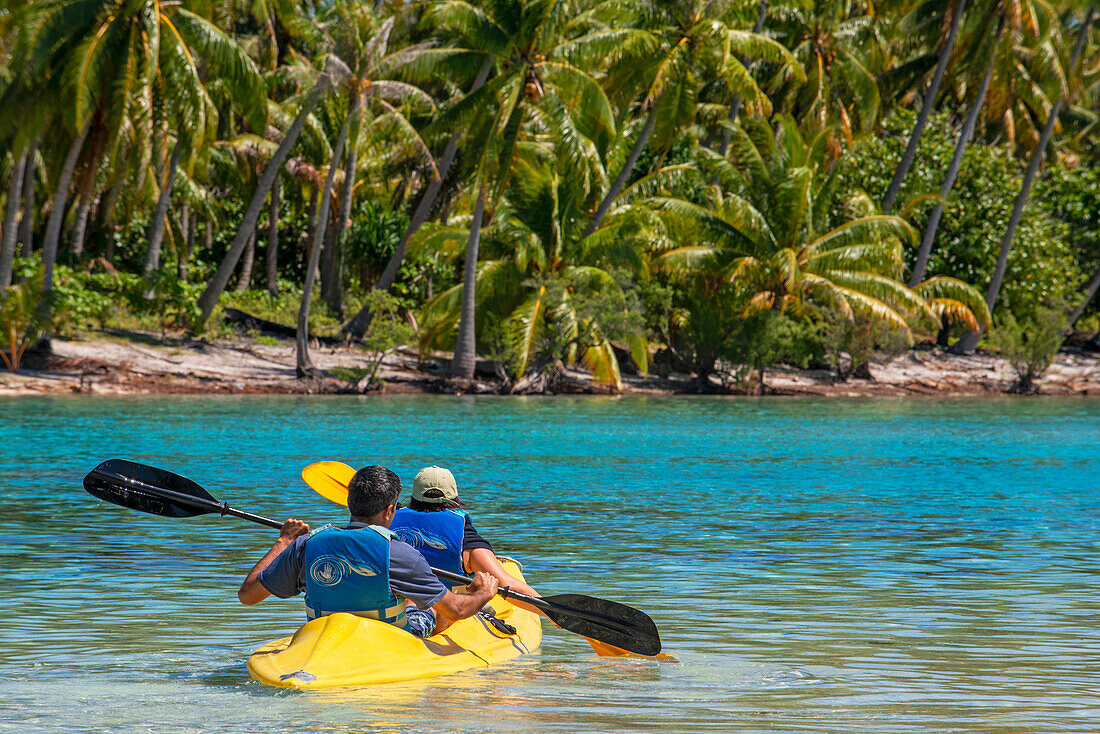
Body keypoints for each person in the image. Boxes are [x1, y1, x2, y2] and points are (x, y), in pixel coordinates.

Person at [238, 464, 498, 638]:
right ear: (390, 510)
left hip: (324, 638)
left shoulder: (304, 546)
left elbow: (248, 595)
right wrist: (484, 592)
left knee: (413, 597)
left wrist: (283, 542)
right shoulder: (400, 554)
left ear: (349, 503)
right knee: (430, 607)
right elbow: (457, 610)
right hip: (387, 644)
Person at [389, 466, 544, 616]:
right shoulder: (465, 538)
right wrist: (550, 612)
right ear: (456, 500)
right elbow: (505, 583)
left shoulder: (387, 521)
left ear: (412, 498)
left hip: (391, 611)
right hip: (444, 615)